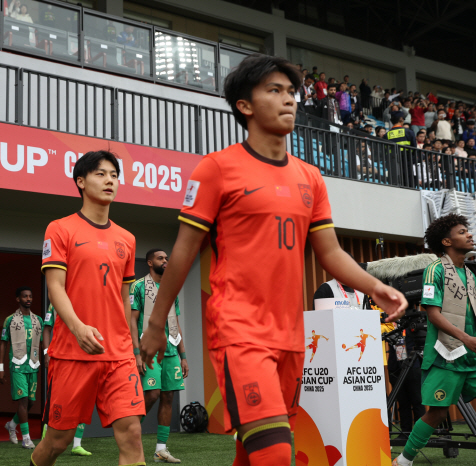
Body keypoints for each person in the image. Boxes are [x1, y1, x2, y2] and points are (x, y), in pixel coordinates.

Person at [138, 54, 407, 466]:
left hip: (291, 337)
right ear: (244, 106)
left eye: (292, 92)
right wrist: (156, 324)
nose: (289, 101)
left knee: (256, 452)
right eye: (275, 91)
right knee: (278, 454)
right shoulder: (217, 169)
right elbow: (183, 251)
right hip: (239, 331)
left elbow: (330, 252)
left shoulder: (310, 177)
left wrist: (375, 286)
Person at [33, 150, 145, 466]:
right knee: (58, 440)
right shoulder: (60, 228)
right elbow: (54, 287)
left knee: (132, 436)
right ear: (81, 182)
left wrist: (132, 347)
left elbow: (125, 299)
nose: (109, 180)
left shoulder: (127, 238)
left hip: (118, 354)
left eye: (114, 174)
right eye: (100, 173)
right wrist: (79, 327)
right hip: (72, 353)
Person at [393, 214, 476, 466]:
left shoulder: (470, 274)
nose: (469, 234)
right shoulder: (435, 270)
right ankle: (404, 460)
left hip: (471, 353)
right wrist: (465, 338)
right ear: (446, 241)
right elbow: (433, 314)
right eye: (462, 231)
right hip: (447, 354)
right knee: (438, 412)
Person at [130, 249, 188, 464]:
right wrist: (136, 353)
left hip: (171, 349)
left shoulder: (171, 287)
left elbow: (177, 323)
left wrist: (183, 355)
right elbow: (132, 322)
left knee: (169, 396)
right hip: (149, 349)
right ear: (149, 262)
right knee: (152, 394)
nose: (165, 261)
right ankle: (130, 434)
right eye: (160, 258)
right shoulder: (137, 286)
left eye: (166, 258)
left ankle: (160, 450)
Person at [39, 304, 92, 456]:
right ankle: (46, 437)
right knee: (55, 398)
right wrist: (46, 352)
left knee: (83, 399)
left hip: (83, 356)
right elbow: (47, 328)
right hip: (61, 357)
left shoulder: (87, 297)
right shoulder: (57, 299)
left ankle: (77, 444)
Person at [0, 287, 44, 450]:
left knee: (31, 402)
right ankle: (26, 438)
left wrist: (46, 356)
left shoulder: (38, 319)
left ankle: (12, 424)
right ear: (18, 299)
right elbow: (3, 343)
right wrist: (0, 367)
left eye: (30, 296)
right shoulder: (10, 319)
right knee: (23, 401)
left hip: (33, 364)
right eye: (24, 296)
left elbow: (42, 342)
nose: (28, 299)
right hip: (17, 365)